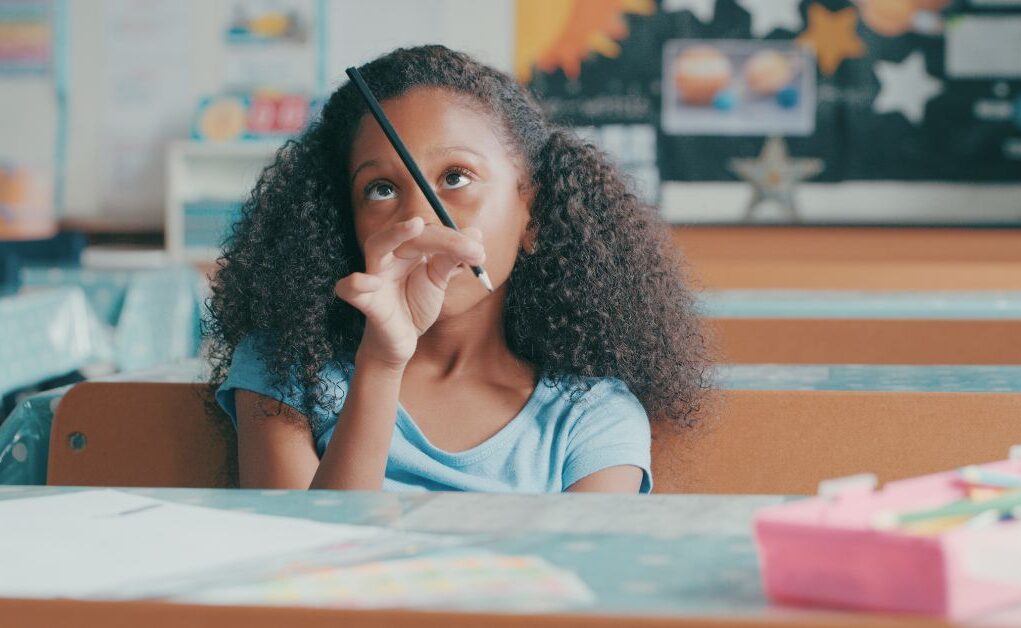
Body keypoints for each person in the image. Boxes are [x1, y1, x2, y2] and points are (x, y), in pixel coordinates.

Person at [206, 45, 709, 493]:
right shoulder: (288, 370)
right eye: (380, 189)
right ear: (347, 224)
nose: (419, 218)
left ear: (532, 213)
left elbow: (580, 581)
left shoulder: (592, 416)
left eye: (455, 177)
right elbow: (302, 562)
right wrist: (382, 362)